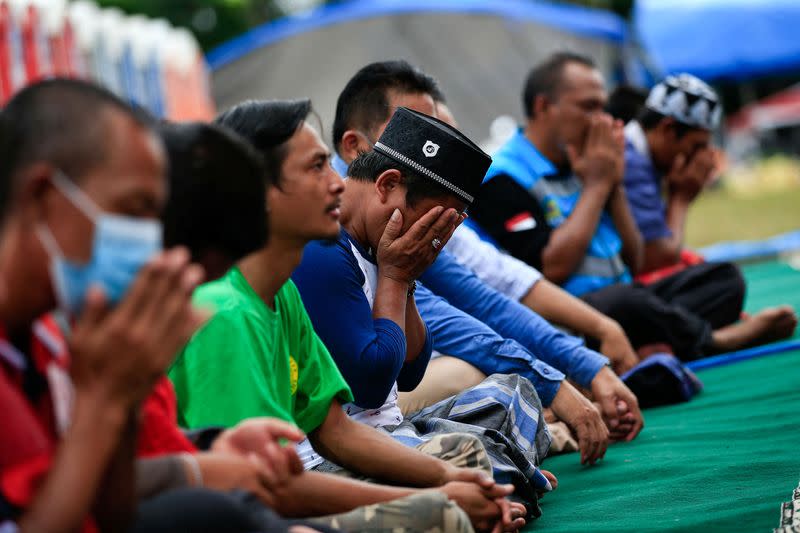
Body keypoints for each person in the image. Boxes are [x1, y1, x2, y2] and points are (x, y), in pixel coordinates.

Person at [170, 99, 521, 533]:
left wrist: (448, 480)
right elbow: (261, 491)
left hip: (299, 481)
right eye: (317, 167)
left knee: (474, 446)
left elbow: (337, 429)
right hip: (263, 508)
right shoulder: (226, 313)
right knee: (444, 514)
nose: (339, 183)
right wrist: (434, 497)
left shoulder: (280, 295)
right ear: (257, 192)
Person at [328, 60, 641, 458]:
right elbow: (379, 382)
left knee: (501, 383)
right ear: (356, 148)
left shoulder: (410, 206)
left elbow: (489, 291)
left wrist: (585, 362)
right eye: (417, 130)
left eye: (441, 129)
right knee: (475, 374)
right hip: (332, 435)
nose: (438, 149)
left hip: (373, 413)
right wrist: (557, 382)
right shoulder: (336, 232)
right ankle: (538, 431)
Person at [470, 52, 797, 360]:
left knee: (724, 280)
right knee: (625, 301)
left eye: (603, 107)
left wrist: (612, 186)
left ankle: (653, 345)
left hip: (626, 298)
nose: (601, 120)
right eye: (588, 107)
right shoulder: (502, 175)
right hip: (565, 317)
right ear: (543, 107)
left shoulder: (585, 158)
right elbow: (551, 270)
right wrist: (597, 186)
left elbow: (636, 260)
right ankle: (714, 341)